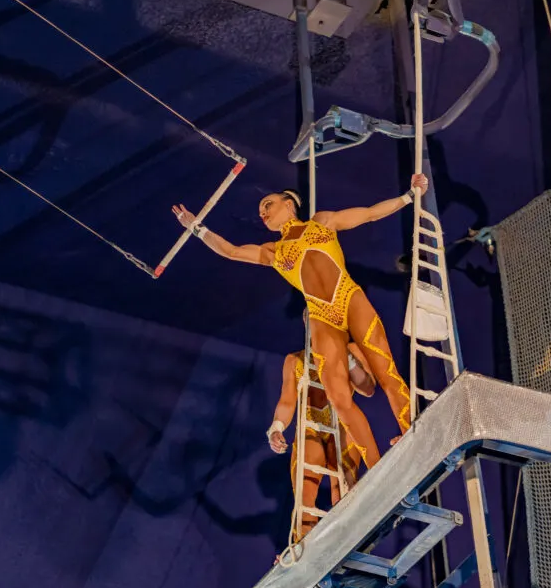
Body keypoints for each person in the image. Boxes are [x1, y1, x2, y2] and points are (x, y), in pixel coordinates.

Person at [171, 173, 427, 468]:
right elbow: (230, 251)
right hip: (320, 315)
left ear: (289, 203)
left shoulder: (321, 222)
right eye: (260, 212)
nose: (263, 213)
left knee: (385, 372)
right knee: (339, 398)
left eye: (267, 204)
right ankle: (377, 468)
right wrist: (196, 227)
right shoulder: (273, 250)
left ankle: (412, 431)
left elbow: (369, 214)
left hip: (348, 297)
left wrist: (409, 196)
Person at [267, 335, 375, 540]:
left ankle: (347, 541)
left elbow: (368, 388)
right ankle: (302, 547)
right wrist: (276, 428)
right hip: (311, 427)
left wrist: (347, 357)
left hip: (341, 423)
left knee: (344, 489)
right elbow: (287, 401)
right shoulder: (294, 360)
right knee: (304, 496)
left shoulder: (351, 349)